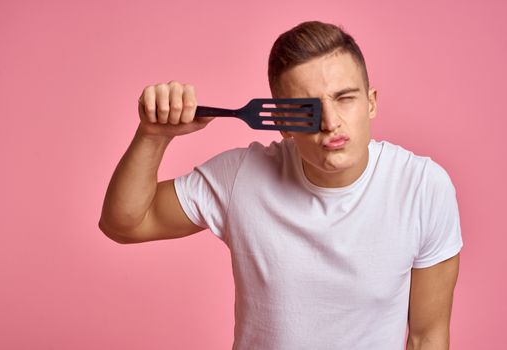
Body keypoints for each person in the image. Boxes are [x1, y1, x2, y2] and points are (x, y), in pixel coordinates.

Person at [99, 21, 462, 349]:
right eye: (307, 110)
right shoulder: (241, 176)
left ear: (371, 103)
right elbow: (124, 223)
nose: (331, 122)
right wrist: (153, 136)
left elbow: (426, 335)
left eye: (345, 98)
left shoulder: (423, 188)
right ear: (282, 123)